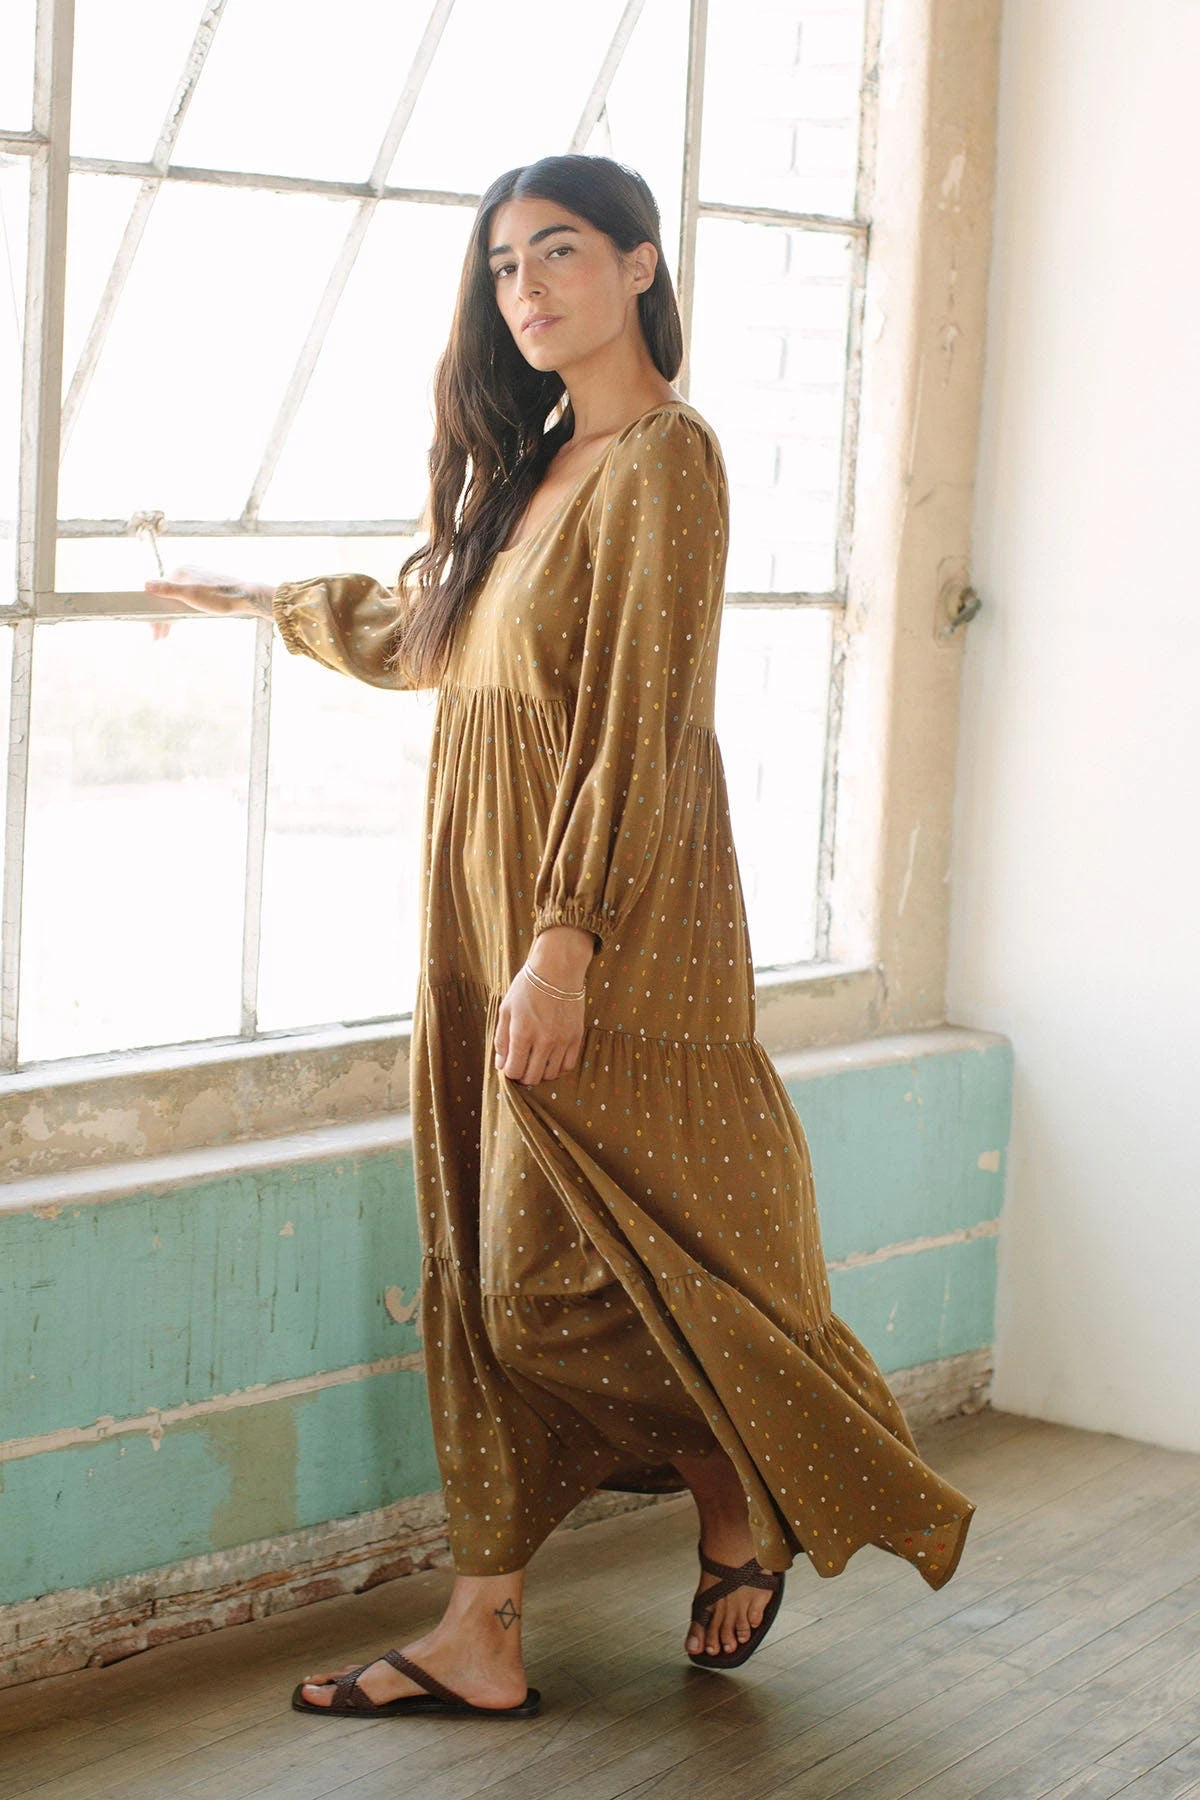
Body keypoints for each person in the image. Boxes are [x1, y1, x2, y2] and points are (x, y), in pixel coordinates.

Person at [147, 152, 976, 1723]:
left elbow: (639, 725)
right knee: (477, 1264)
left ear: (641, 263)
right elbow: (430, 642)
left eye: (561, 253)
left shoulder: (666, 459)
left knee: (546, 1286)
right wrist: (260, 599)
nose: (526, 290)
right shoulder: (527, 470)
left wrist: (568, 940)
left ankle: (737, 1479)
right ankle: (483, 1630)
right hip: (479, 911)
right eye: (505, 267)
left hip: (604, 921)